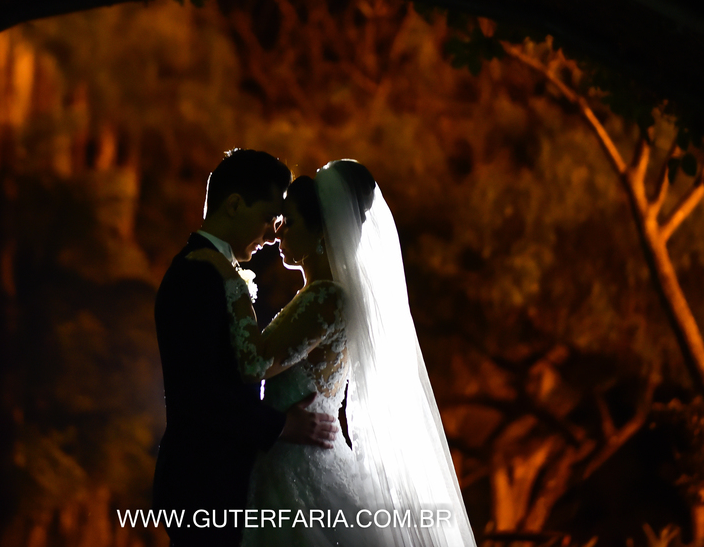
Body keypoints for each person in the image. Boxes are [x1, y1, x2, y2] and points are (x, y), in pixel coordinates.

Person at [192, 160, 475, 546]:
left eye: (288, 222)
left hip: (295, 471)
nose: (276, 233)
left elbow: (255, 363)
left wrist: (232, 282)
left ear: (321, 231)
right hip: (290, 460)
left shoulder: (326, 298)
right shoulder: (319, 296)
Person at [152, 148, 339, 547]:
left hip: (234, 484)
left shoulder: (214, 271)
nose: (274, 233)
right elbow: (198, 393)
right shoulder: (195, 276)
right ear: (235, 204)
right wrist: (282, 425)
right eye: (268, 217)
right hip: (204, 485)